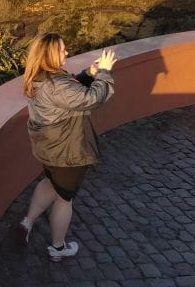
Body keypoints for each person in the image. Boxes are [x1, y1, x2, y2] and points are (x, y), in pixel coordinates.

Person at [15, 33, 117, 262]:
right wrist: (104, 72)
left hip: (49, 148)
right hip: (67, 152)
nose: (67, 52)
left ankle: (27, 222)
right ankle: (58, 248)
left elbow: (70, 89)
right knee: (64, 199)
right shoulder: (56, 84)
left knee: (52, 183)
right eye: (62, 50)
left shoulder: (40, 76)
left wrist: (90, 73)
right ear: (50, 54)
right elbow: (92, 98)